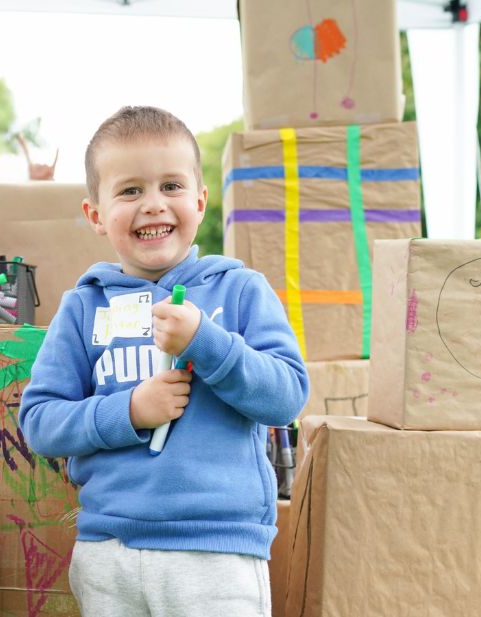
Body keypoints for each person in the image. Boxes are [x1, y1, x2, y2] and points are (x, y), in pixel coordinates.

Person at [18, 106, 308, 616]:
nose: (153, 205)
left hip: (217, 551)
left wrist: (207, 342)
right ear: (95, 214)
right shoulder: (84, 305)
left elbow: (285, 396)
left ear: (200, 201)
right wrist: (129, 411)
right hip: (110, 551)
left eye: (171, 186)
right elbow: (41, 422)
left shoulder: (239, 290)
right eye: (130, 191)